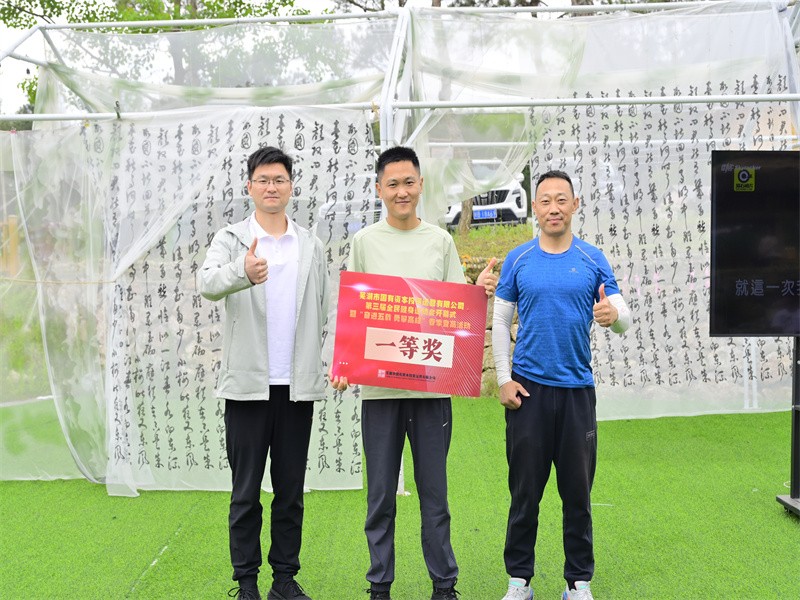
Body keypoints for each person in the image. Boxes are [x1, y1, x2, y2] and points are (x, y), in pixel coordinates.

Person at [330, 146, 498, 600]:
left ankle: (444, 585)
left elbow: (457, 308)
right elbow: (354, 311)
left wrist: (478, 291)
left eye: (409, 182)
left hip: (431, 393)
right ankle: (379, 586)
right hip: (379, 394)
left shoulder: (439, 241)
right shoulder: (365, 241)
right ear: (379, 189)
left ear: (420, 185)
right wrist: (343, 364)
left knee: (434, 497)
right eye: (393, 184)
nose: (401, 191)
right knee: (380, 498)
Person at [492, 170, 631, 600]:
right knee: (524, 494)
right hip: (528, 393)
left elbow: (621, 314)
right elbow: (500, 320)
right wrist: (503, 379)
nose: (554, 208)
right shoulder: (519, 259)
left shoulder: (592, 259)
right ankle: (520, 581)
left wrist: (614, 317)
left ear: (574, 205)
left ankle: (577, 582)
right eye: (546, 200)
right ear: (535, 208)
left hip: (576, 394)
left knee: (578, 494)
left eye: (561, 200)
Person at [198, 146, 329, 600]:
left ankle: (284, 580)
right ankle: (247, 583)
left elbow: (325, 307)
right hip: (247, 388)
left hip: (296, 388)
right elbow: (206, 283)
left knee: (291, 491)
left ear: (291, 186)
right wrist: (243, 271)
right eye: (263, 180)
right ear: (249, 186)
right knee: (245, 492)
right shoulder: (232, 239)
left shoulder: (309, 244)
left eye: (279, 179)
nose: (272, 187)